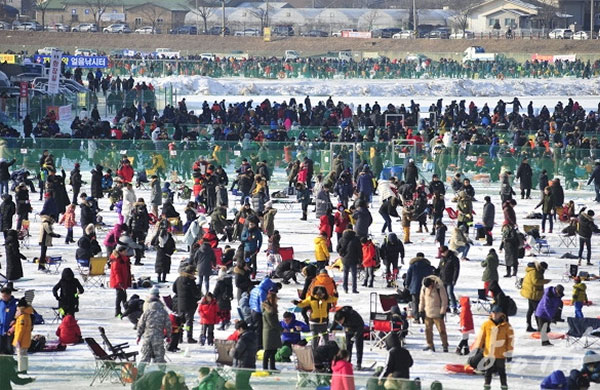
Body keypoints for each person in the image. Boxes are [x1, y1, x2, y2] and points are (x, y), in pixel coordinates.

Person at [474, 305, 514, 390]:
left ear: (501, 314)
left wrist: (509, 352)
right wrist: (478, 347)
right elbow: (481, 337)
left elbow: (510, 340)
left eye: (497, 313)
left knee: (502, 371)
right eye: (493, 312)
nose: (495, 315)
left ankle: (504, 386)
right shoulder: (486, 324)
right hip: (489, 353)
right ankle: (487, 386)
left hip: (501, 354)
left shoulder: (506, 326)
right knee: (488, 371)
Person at [137, 287, 171, 370]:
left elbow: (140, 324)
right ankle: (162, 375)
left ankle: (139, 375)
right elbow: (168, 325)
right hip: (158, 337)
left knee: (144, 358)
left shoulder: (147, 311)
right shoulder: (163, 311)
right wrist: (169, 336)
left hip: (147, 336)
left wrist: (139, 335)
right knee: (160, 358)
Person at [419, 275, 449, 352]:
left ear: (432, 283)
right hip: (427, 313)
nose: (429, 288)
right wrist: (421, 310)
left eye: (430, 286)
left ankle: (445, 345)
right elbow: (422, 300)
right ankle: (430, 345)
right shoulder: (424, 288)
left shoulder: (439, 288)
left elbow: (444, 300)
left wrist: (442, 312)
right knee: (428, 331)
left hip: (438, 313)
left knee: (442, 331)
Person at [249, 277, 280, 350]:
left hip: (253, 310)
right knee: (259, 330)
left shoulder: (254, 289)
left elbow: (250, 301)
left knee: (254, 328)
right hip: (258, 312)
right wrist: (266, 312)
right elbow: (263, 304)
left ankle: (254, 343)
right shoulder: (262, 292)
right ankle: (259, 345)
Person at [173, 265, 201, 343]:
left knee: (180, 321)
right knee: (189, 322)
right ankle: (189, 336)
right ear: (191, 272)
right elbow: (195, 293)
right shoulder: (191, 281)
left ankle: (179, 337)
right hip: (190, 303)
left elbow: (174, 289)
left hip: (180, 303)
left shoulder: (178, 279)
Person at [520, 261, 549, 332]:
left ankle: (529, 326)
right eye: (544, 269)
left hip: (533, 292)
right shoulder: (534, 271)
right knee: (537, 311)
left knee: (531, 310)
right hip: (533, 293)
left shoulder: (535, 270)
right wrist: (545, 281)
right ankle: (540, 327)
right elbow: (535, 281)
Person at [405, 252, 434, 324]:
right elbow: (431, 277)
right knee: (425, 302)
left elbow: (408, 276)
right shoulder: (428, 266)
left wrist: (407, 285)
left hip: (415, 287)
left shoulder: (412, 266)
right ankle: (424, 318)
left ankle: (416, 318)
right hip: (425, 287)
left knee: (415, 303)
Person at [232, 320, 257, 390]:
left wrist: (230, 350)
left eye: (237, 330)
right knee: (244, 384)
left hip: (242, 365)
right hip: (250, 363)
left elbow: (235, 353)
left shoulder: (243, 339)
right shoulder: (253, 336)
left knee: (240, 385)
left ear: (241, 329)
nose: (237, 332)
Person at [10, 298, 32, 373]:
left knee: (21, 355)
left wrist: (18, 340)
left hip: (22, 340)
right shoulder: (26, 315)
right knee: (24, 355)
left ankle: (21, 369)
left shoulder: (22, 317)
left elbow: (20, 330)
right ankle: (24, 368)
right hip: (25, 339)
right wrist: (14, 326)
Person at [337, 229, 362, 294]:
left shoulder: (342, 239)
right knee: (354, 275)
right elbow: (359, 251)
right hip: (354, 259)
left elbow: (337, 249)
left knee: (345, 274)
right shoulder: (356, 240)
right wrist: (360, 259)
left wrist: (342, 254)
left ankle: (345, 288)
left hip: (344, 259)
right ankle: (354, 289)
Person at [261, 291, 282, 371]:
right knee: (268, 351)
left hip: (273, 333)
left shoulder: (272, 309)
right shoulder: (268, 311)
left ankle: (272, 367)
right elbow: (272, 323)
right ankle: (265, 368)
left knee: (273, 351)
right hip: (269, 333)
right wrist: (281, 329)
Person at [110, 246, 132, 317]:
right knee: (119, 296)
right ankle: (118, 312)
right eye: (124, 251)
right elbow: (116, 272)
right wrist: (120, 282)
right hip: (118, 281)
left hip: (123, 280)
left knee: (124, 296)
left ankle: (126, 310)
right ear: (120, 252)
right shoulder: (117, 260)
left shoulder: (123, 259)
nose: (126, 253)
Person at [438, 246, 460, 314]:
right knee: (444, 294)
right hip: (442, 278)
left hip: (450, 279)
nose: (442, 254)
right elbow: (440, 268)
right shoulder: (442, 258)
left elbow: (456, 270)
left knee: (450, 292)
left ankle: (454, 307)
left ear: (447, 251)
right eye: (441, 253)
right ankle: (446, 307)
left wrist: (454, 279)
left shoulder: (454, 258)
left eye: (443, 252)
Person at [0, 286, 18, 355]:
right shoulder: (0, 302)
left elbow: (19, 315)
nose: (3, 297)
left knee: (9, 347)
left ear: (9, 295)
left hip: (10, 329)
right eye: (2, 296)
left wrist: (14, 320)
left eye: (5, 296)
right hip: (1, 329)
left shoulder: (15, 304)